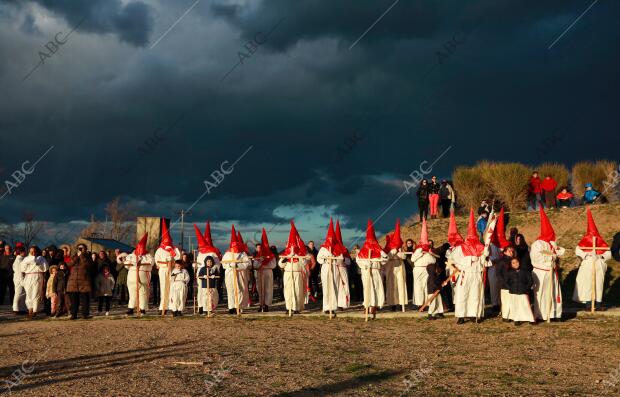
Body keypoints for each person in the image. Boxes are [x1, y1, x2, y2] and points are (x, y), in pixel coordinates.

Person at [448, 209, 489, 324]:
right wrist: (470, 259)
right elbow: (452, 259)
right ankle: (461, 315)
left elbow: (485, 263)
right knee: (463, 295)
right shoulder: (461, 248)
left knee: (475, 295)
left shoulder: (480, 247)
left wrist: (484, 256)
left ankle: (473, 314)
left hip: (476, 274)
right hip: (465, 274)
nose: (472, 240)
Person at [530, 207, 565, 321]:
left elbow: (561, 252)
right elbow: (535, 257)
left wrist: (556, 248)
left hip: (551, 272)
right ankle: (540, 314)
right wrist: (550, 258)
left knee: (554, 292)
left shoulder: (552, 243)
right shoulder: (537, 244)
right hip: (541, 272)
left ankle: (554, 314)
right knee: (541, 293)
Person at [572, 208, 611, 310]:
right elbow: (577, 250)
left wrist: (601, 256)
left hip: (599, 264)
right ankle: (588, 305)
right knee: (588, 284)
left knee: (599, 284)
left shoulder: (600, 241)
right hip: (588, 265)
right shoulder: (584, 240)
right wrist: (587, 255)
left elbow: (608, 252)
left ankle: (598, 304)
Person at [356, 220, 388, 318]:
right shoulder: (363, 249)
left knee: (376, 288)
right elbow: (358, 260)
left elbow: (386, 258)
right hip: (366, 271)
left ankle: (374, 306)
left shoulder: (378, 248)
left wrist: (378, 257)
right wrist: (366, 264)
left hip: (375, 271)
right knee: (367, 288)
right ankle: (367, 306)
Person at [278, 221, 310, 315]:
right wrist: (288, 257)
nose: (291, 246)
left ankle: (296, 308)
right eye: (289, 244)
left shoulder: (301, 254)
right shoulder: (286, 253)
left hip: (297, 273)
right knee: (288, 291)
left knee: (297, 290)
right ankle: (289, 307)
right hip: (288, 273)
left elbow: (304, 263)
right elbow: (280, 264)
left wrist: (297, 256)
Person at [317, 219, 346, 314]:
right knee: (326, 287)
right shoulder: (323, 248)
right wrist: (326, 259)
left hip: (334, 267)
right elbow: (319, 258)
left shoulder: (337, 248)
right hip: (326, 268)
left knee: (334, 286)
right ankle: (326, 307)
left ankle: (333, 307)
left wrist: (334, 258)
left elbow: (341, 258)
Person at [222, 225, 251, 314]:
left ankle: (239, 306)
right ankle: (231, 307)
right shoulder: (227, 254)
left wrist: (237, 265)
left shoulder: (242, 254)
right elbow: (223, 264)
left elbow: (248, 263)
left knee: (240, 289)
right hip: (230, 274)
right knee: (230, 290)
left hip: (240, 274)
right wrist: (231, 265)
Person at [155, 221, 181, 315]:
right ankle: (163, 307)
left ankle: (172, 306)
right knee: (163, 288)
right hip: (163, 270)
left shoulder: (174, 249)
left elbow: (178, 258)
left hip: (172, 270)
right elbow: (157, 262)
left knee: (172, 288)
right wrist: (167, 261)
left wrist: (173, 257)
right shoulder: (159, 250)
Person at [409, 219, 436, 309]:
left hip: (425, 270)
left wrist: (429, 253)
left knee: (425, 286)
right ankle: (419, 303)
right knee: (418, 286)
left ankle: (426, 303)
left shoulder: (428, 251)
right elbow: (413, 259)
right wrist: (421, 252)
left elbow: (433, 261)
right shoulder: (417, 250)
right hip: (417, 270)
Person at [124, 234, 154, 316]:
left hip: (143, 276)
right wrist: (134, 263)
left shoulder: (147, 255)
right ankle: (131, 308)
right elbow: (126, 264)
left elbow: (151, 262)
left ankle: (142, 309)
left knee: (143, 293)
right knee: (132, 293)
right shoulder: (131, 255)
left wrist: (141, 263)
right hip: (132, 276)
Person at [488, 208, 511, 312]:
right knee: (493, 286)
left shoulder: (506, 244)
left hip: (503, 268)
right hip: (492, 267)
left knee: (504, 285)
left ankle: (504, 304)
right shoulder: (490, 243)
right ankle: (495, 303)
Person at [383, 219, 407, 311]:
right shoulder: (388, 248)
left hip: (400, 265)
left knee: (401, 285)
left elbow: (404, 257)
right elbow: (386, 257)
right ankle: (392, 303)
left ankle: (401, 304)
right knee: (391, 285)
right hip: (390, 267)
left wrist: (399, 252)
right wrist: (393, 251)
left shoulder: (401, 248)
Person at [67, 243, 95, 320]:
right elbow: (69, 264)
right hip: (73, 281)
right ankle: (74, 314)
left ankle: (85, 314)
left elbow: (88, 265)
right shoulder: (74, 256)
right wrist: (77, 256)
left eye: (82, 248)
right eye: (79, 248)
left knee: (84, 299)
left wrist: (82, 256)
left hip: (84, 281)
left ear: (85, 249)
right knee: (74, 300)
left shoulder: (88, 257)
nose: (80, 249)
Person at [21, 246, 49, 318]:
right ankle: (30, 309)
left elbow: (45, 268)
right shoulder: (26, 259)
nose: (33, 253)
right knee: (28, 293)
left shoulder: (41, 258)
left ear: (36, 252)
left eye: (34, 251)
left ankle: (35, 311)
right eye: (31, 251)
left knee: (36, 293)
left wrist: (39, 265)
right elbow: (22, 268)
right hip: (28, 277)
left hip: (37, 276)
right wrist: (27, 264)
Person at [252, 228, 276, 312]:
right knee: (260, 289)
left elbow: (273, 265)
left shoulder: (271, 255)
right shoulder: (258, 255)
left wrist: (265, 263)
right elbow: (255, 265)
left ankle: (266, 305)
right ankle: (260, 304)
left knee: (267, 288)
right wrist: (260, 262)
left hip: (268, 272)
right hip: (259, 272)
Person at [506, 257, 535, 325]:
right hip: (513, 292)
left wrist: (526, 288)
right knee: (515, 306)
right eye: (513, 263)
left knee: (525, 305)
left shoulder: (525, 271)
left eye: (517, 262)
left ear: (519, 262)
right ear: (511, 264)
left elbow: (530, 281)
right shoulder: (509, 272)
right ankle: (517, 319)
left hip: (523, 291)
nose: (515, 264)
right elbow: (506, 282)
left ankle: (530, 319)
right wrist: (510, 288)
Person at [334, 220, 351, 309]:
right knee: (335, 286)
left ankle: (343, 303)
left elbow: (349, 262)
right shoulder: (331, 250)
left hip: (342, 269)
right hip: (334, 269)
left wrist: (343, 259)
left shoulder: (344, 250)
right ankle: (335, 303)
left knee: (344, 286)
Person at [495, 246, 515, 322]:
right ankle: (505, 316)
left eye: (512, 251)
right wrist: (503, 282)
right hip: (505, 284)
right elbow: (498, 273)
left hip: (513, 283)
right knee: (506, 300)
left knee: (512, 299)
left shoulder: (514, 260)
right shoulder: (501, 261)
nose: (511, 252)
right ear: (505, 252)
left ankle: (512, 315)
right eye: (509, 251)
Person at [12, 246, 27, 314]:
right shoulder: (18, 260)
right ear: (20, 252)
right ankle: (16, 308)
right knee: (18, 293)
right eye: (24, 251)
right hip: (19, 278)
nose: (25, 252)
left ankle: (21, 308)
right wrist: (22, 281)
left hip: (20, 278)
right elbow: (19, 272)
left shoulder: (21, 259)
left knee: (22, 293)